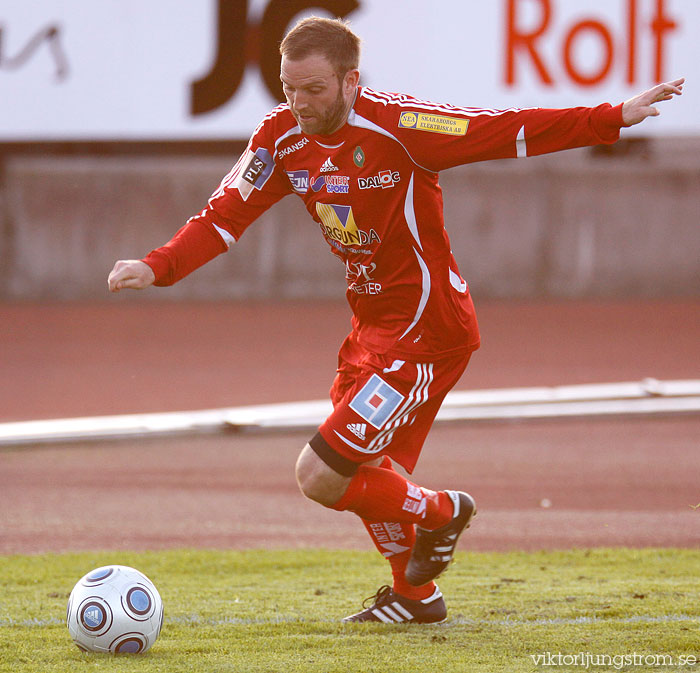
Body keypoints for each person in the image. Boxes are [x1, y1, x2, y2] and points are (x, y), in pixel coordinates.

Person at [108, 16, 684, 624]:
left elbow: (504, 130)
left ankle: (444, 512)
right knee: (371, 475)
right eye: (288, 88)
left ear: (351, 82)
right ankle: (416, 598)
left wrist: (611, 116)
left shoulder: (402, 128)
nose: (299, 103)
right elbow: (223, 216)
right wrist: (159, 265)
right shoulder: (279, 138)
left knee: (321, 474)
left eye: (315, 90)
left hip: (428, 331)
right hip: (371, 331)